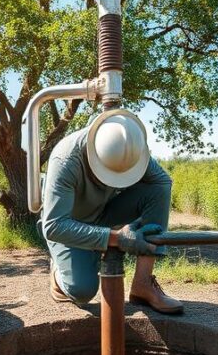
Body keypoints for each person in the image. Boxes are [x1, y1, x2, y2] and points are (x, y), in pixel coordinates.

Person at [39, 110, 183, 314]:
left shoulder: (133, 150)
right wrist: (117, 239)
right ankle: (57, 272)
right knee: (81, 291)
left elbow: (162, 182)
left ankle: (143, 284)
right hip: (68, 223)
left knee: (158, 188)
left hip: (104, 213)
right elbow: (54, 226)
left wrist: (111, 237)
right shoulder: (65, 160)